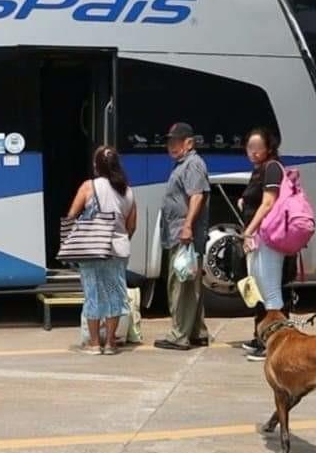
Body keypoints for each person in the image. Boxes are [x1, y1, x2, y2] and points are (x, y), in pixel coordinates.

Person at [67, 146, 137, 355]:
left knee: (93, 294)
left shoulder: (89, 187)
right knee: (115, 294)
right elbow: (132, 225)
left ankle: (95, 343)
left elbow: (72, 215)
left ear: (97, 165)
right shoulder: (128, 191)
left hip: (93, 249)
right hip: (118, 250)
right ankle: (111, 344)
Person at [154, 123, 211, 351]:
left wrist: (187, 226)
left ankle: (179, 335)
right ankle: (197, 332)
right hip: (181, 234)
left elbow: (197, 196)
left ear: (189, 142)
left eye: (176, 141)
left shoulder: (193, 164)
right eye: (169, 142)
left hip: (185, 236)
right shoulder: (184, 164)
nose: (171, 146)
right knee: (189, 284)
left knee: (181, 285)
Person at [238, 127, 288, 362]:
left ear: (269, 148)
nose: (254, 152)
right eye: (250, 147)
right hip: (260, 239)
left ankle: (274, 345)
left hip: (268, 238)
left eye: (258, 147)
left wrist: (248, 231)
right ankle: (264, 339)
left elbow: (268, 203)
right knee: (260, 288)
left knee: (271, 292)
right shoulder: (260, 170)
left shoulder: (271, 168)